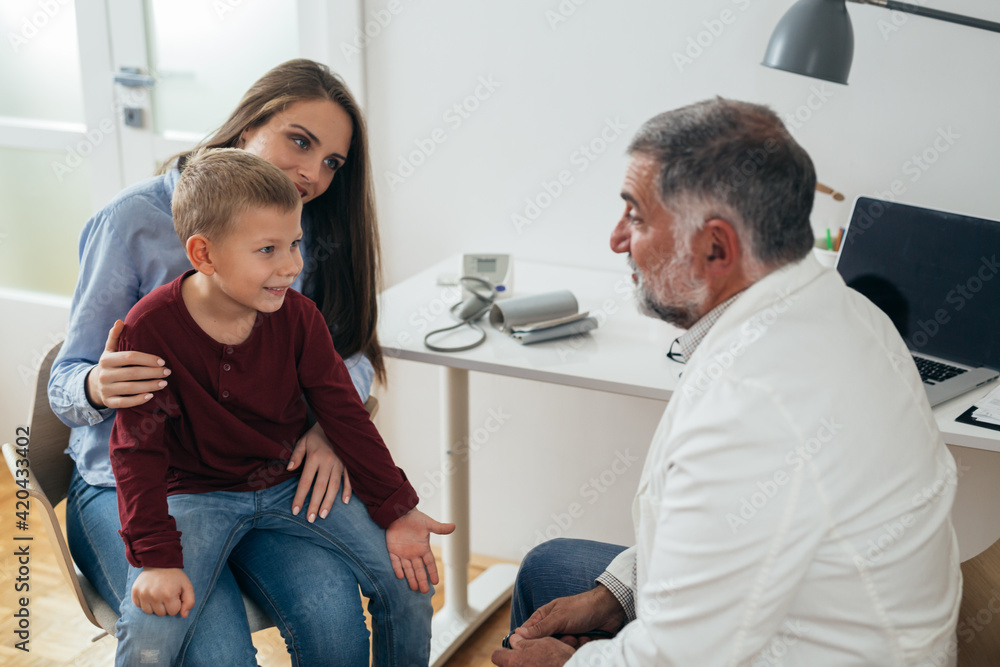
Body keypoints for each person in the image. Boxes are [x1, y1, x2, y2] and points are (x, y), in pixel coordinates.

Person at [492, 98, 962, 666]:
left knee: (536, 619)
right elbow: (739, 534)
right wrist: (616, 595)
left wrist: (563, 666)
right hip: (828, 619)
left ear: (716, 246)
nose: (618, 240)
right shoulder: (846, 311)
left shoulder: (754, 402)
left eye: (636, 217)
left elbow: (679, 657)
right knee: (550, 566)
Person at [49, 59, 418, 664]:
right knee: (213, 652)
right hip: (129, 487)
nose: (312, 173)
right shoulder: (133, 221)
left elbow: (343, 349)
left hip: (260, 479)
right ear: (247, 125)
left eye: (332, 163)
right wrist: (94, 384)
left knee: (337, 628)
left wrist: (328, 423)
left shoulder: (299, 228)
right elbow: (64, 384)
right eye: (300, 141)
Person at [109, 148, 452, 665]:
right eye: (268, 249)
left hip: (289, 485)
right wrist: (155, 559)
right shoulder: (149, 327)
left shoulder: (299, 318)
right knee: (150, 633)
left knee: (410, 580)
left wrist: (397, 508)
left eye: (295, 244)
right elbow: (136, 451)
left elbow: (344, 416)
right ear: (204, 255)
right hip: (196, 496)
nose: (292, 265)